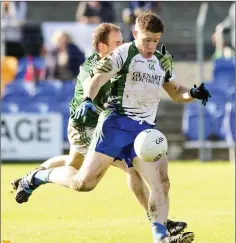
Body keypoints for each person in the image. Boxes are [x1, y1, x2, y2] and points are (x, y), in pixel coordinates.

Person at [13, 22, 187, 237]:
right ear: (102, 47)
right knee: (106, 173)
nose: (122, 45)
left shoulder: (124, 60)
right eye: (116, 43)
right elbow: (94, 90)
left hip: (105, 126)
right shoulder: (93, 67)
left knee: (74, 164)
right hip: (85, 126)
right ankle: (159, 220)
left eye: (123, 42)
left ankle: (34, 176)